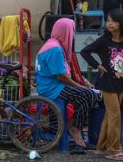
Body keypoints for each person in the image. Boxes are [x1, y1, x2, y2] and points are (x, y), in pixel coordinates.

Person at [35, 17, 96, 154]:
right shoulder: (55, 49)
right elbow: (61, 76)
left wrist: (83, 83)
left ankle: (68, 129)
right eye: (72, 31)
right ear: (65, 31)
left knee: (88, 93)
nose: (73, 35)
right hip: (52, 89)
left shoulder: (53, 44)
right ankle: (75, 128)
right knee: (87, 95)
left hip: (53, 85)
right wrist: (80, 87)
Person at [80, 9, 123, 161]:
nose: (109, 24)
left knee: (109, 116)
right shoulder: (104, 40)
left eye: (113, 21)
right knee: (115, 114)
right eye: (108, 21)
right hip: (106, 82)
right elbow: (85, 52)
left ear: (120, 24)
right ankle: (114, 150)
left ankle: (102, 147)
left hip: (120, 82)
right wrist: (98, 65)